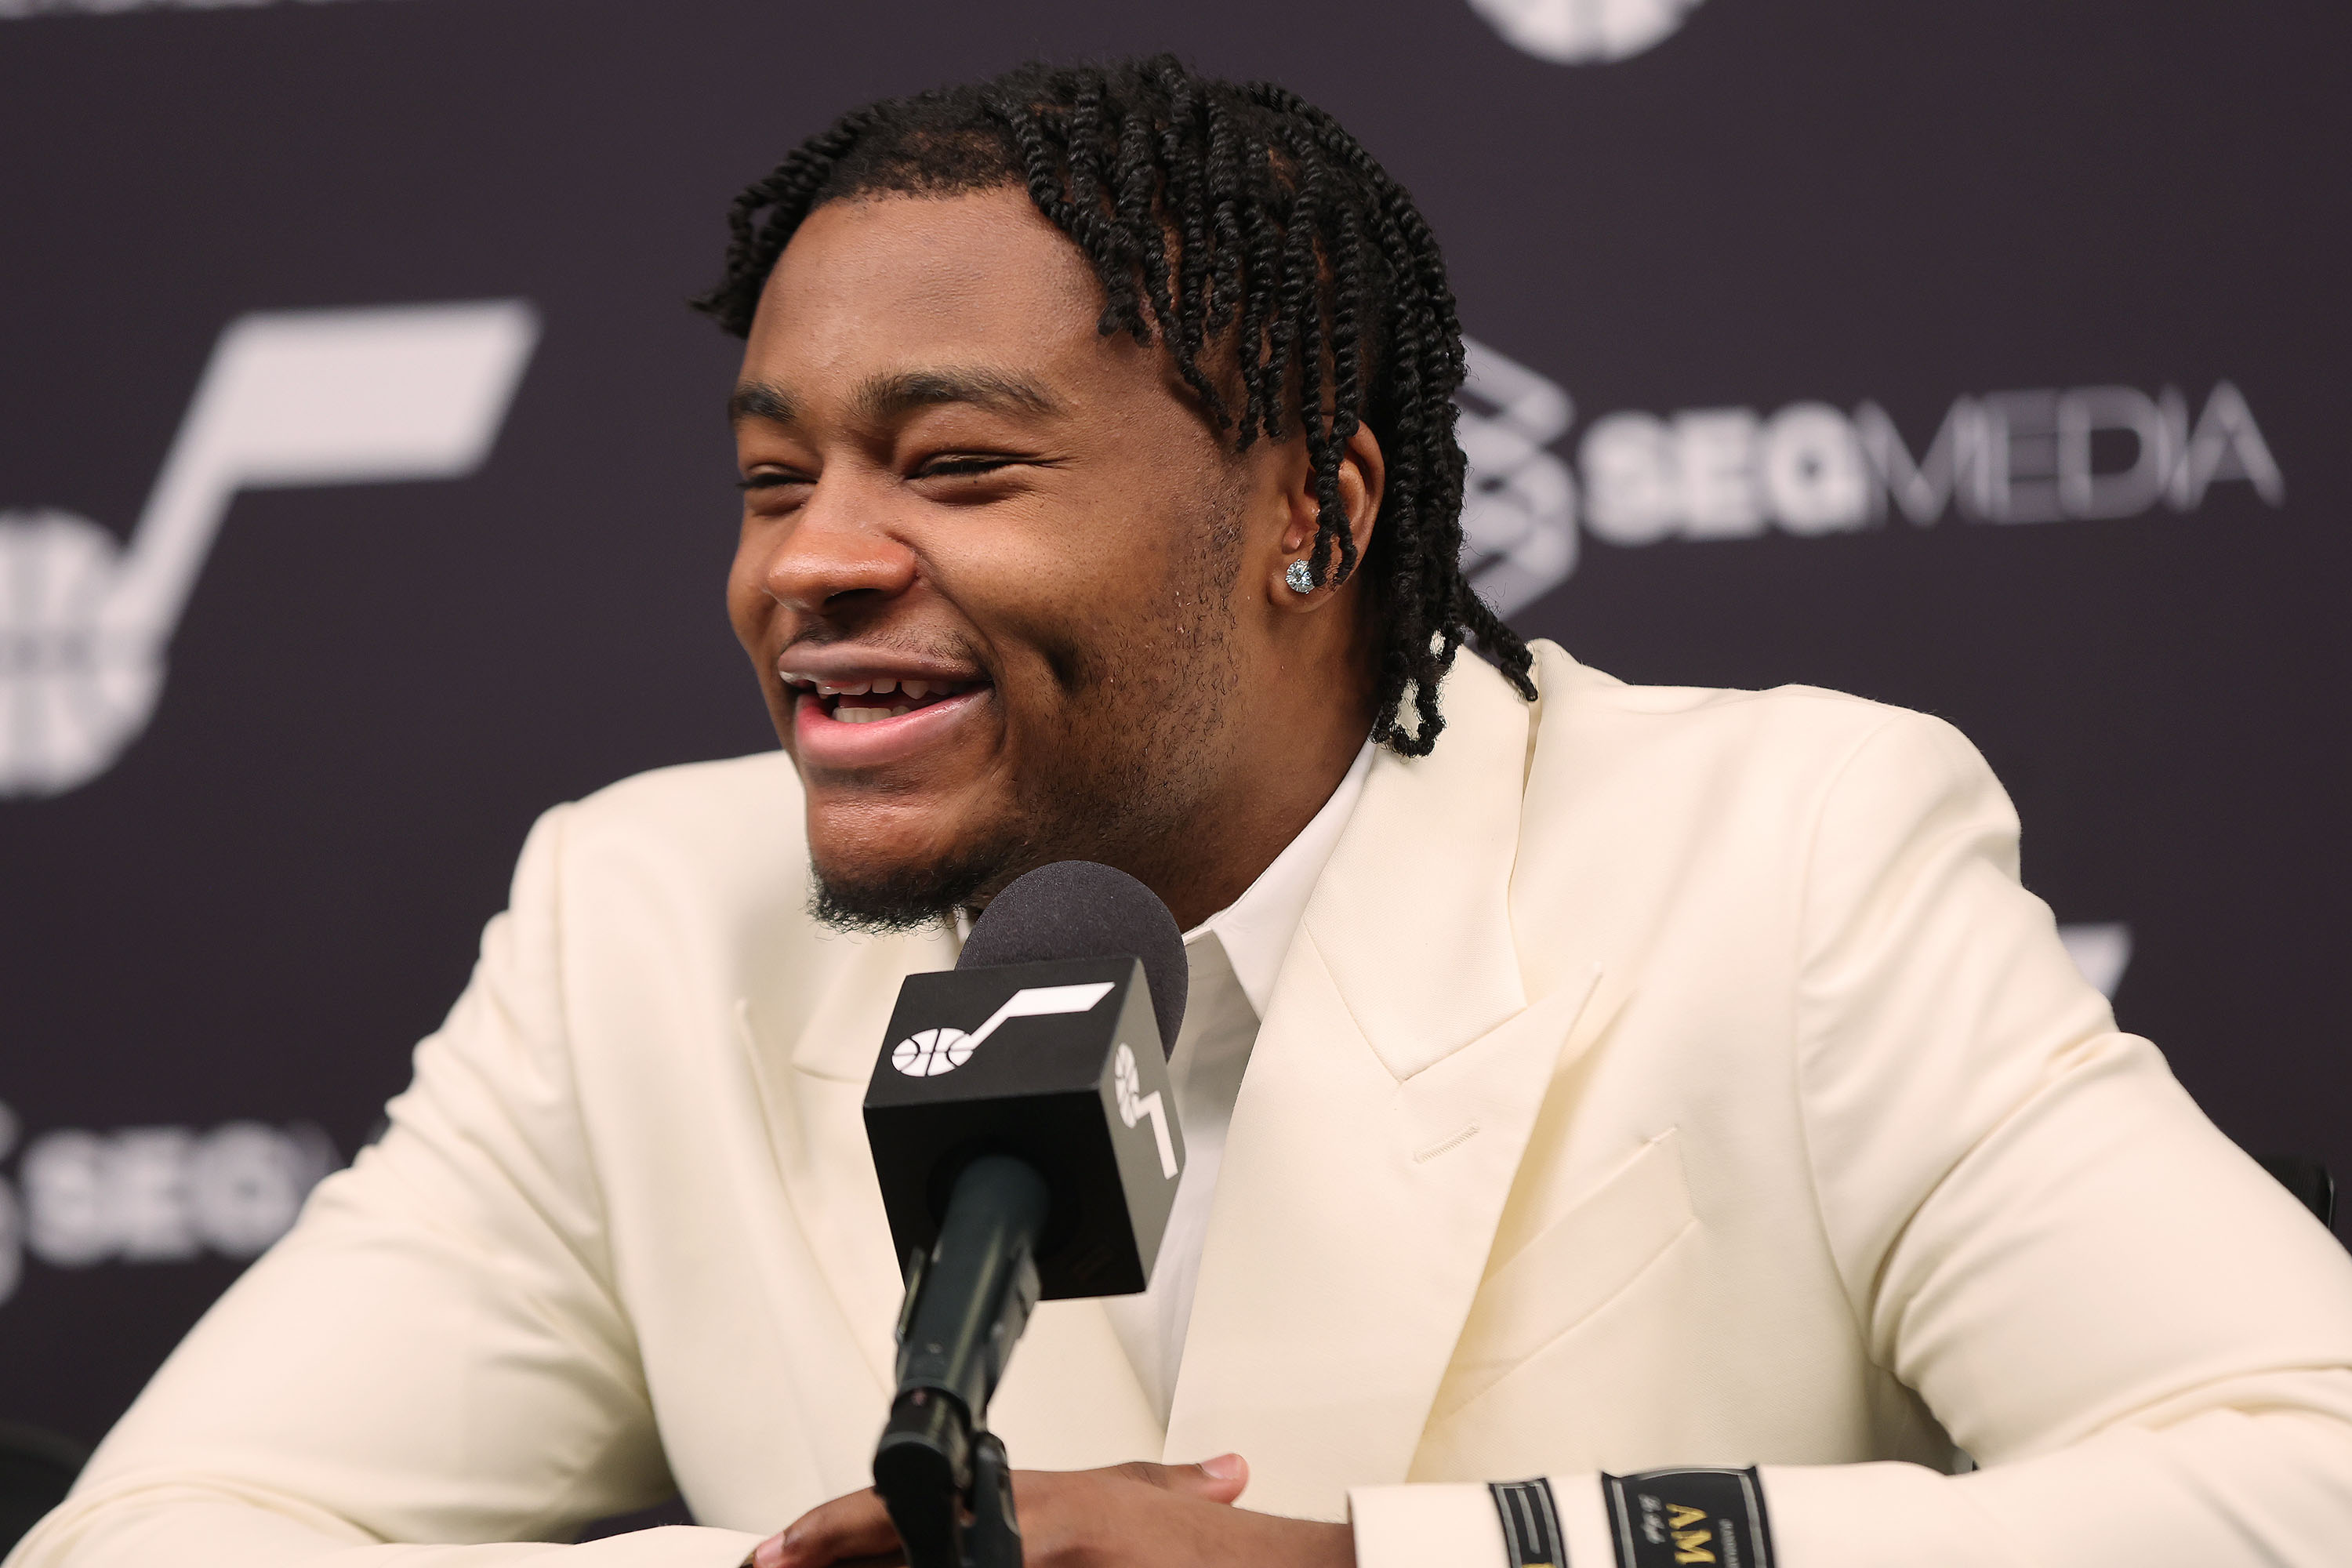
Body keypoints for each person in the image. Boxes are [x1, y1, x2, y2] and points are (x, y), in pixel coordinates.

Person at [14, 55, 2352, 1568]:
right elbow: (164, 1545)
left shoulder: (1784, 849)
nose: (810, 558)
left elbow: (2301, 1474)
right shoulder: (642, 911)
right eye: (770, 478)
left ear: (1310, 511)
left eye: (958, 466)